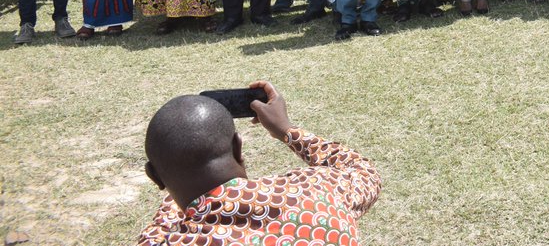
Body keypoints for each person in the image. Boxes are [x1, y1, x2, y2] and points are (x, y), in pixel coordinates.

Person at [138, 81, 381, 245]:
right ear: (238, 147)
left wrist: (173, 175)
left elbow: (165, 220)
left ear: (155, 177)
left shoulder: (164, 239)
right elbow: (362, 171)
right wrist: (286, 129)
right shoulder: (320, 191)